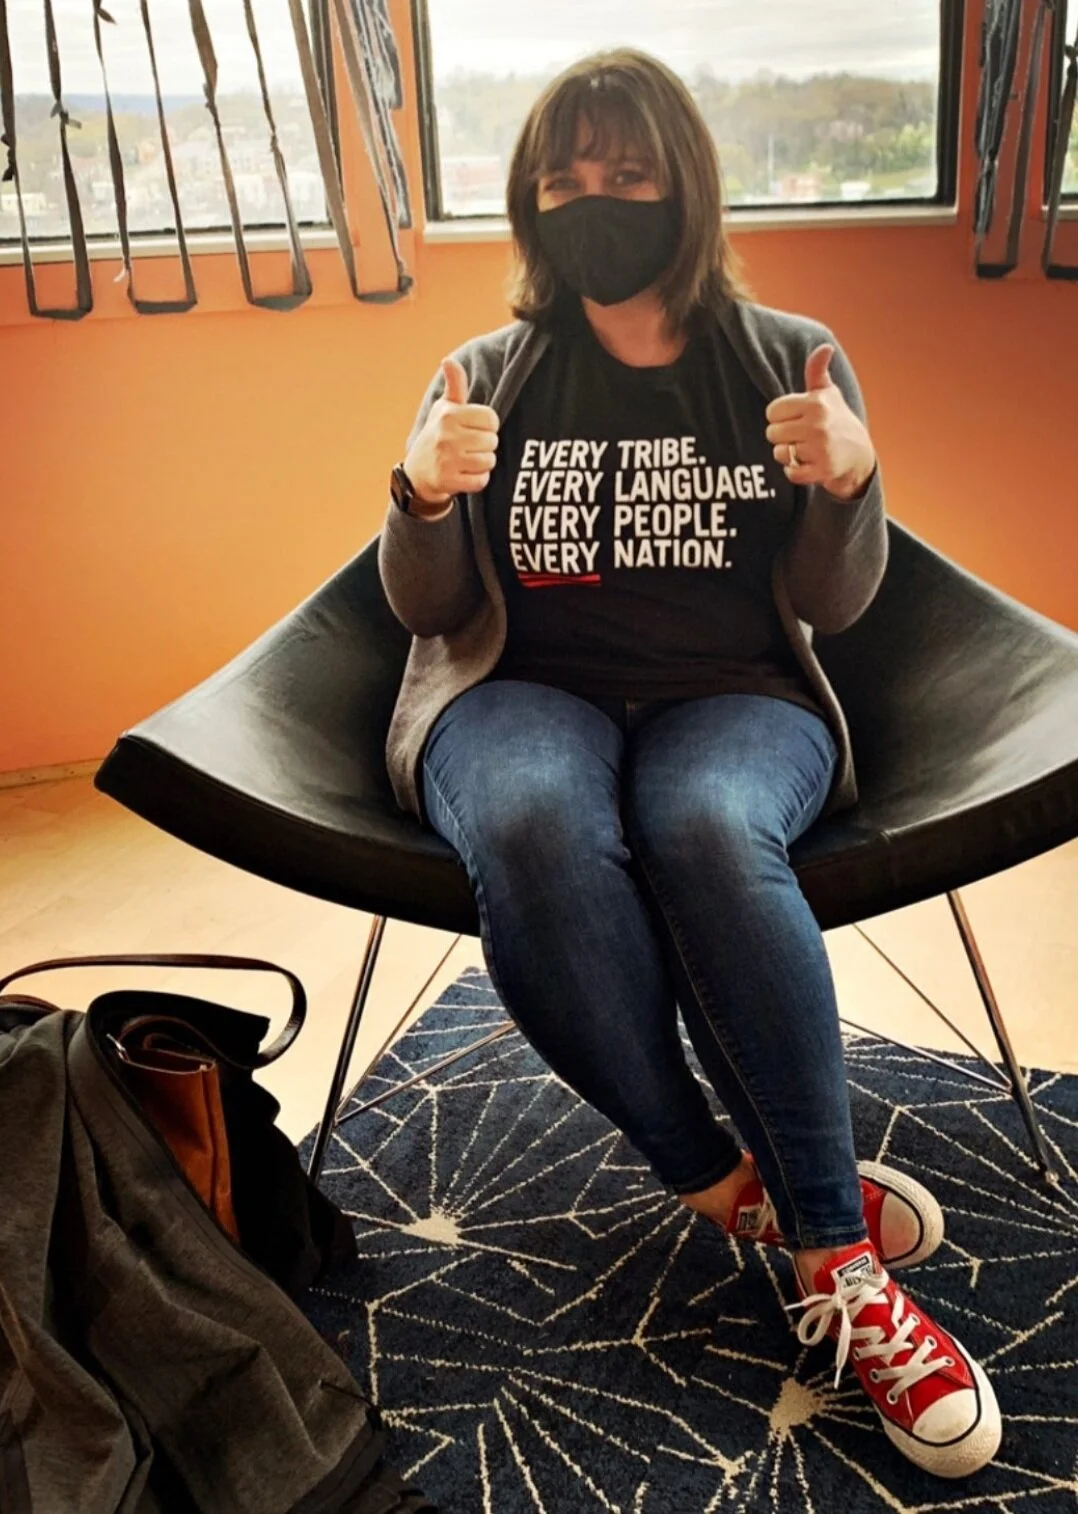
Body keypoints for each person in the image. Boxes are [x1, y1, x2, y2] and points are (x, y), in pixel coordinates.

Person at [378, 48, 1001, 1479]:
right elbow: (422, 607)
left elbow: (834, 608)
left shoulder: (784, 354)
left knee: (710, 828)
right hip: (521, 686)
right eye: (564, 178)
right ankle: (740, 1192)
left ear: (686, 189)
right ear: (529, 206)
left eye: (628, 175)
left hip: (731, 693)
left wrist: (850, 481)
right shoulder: (487, 369)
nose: (593, 198)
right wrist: (416, 494)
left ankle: (837, 1262)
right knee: (531, 823)